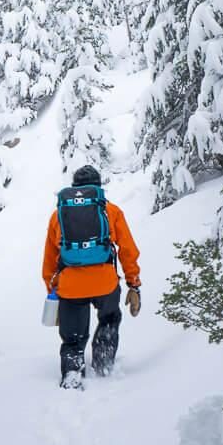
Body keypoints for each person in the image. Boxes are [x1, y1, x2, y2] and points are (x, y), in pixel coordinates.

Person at [42, 163, 141, 387]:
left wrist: (53, 294)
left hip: (70, 286)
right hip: (105, 284)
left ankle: (72, 374)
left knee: (73, 338)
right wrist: (133, 284)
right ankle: (104, 362)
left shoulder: (58, 215)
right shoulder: (111, 211)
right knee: (109, 319)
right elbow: (127, 250)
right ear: (98, 188)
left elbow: (49, 260)